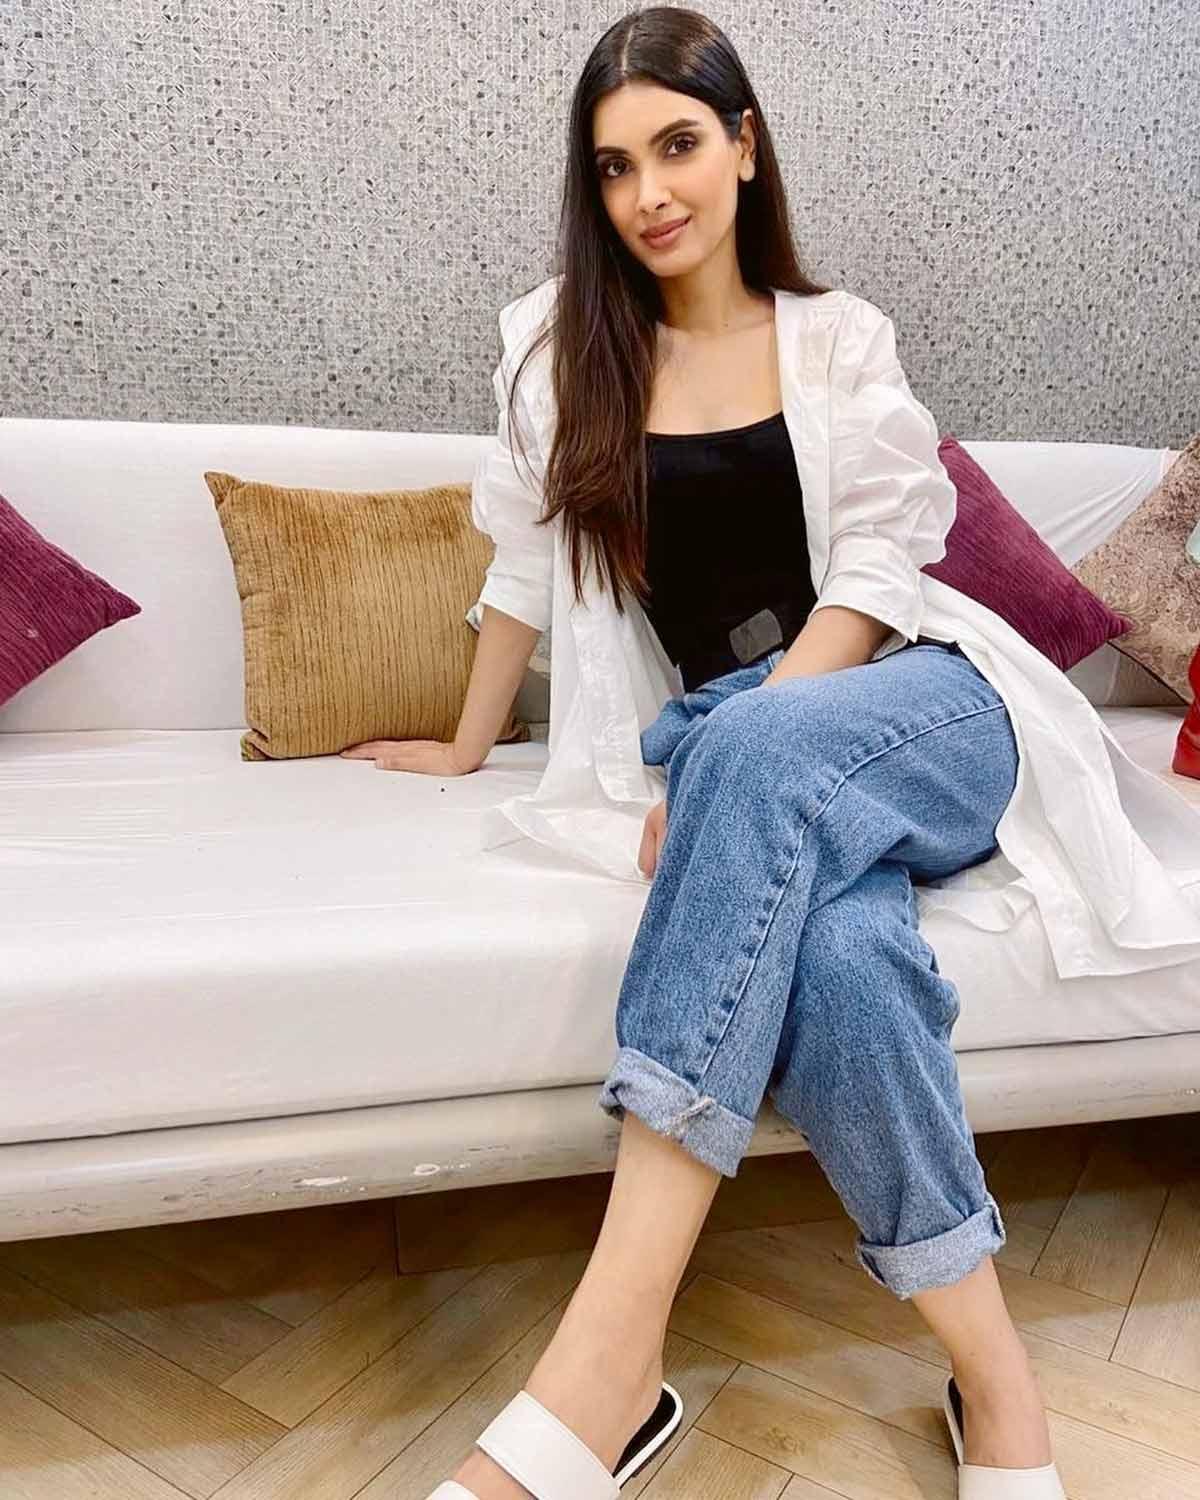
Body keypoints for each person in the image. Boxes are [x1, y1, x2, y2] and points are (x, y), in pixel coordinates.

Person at [339, 9, 1200, 1498]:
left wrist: (738, 747)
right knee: (848, 969)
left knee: (754, 755)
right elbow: (523, 566)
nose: (648, 193)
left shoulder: (839, 337)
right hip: (748, 751)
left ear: (744, 145)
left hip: (924, 702)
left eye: (677, 145)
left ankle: (603, 1371)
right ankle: (1001, 1394)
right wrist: (467, 745)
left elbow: (876, 569)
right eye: (614, 167)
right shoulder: (561, 352)